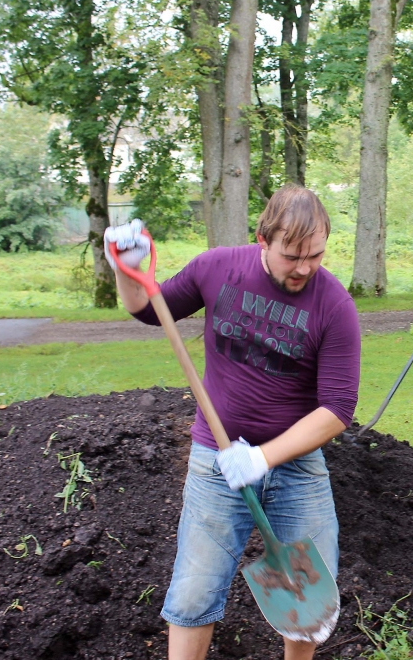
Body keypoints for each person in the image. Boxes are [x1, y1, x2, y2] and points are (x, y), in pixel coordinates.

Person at [104, 185, 360, 660]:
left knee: (304, 598)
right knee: (194, 592)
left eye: (316, 255)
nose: (304, 267)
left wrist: (263, 457)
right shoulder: (217, 268)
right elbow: (147, 309)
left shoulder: (334, 305)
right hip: (215, 462)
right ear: (263, 239)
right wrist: (128, 271)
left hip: (297, 469)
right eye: (292, 256)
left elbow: (338, 408)